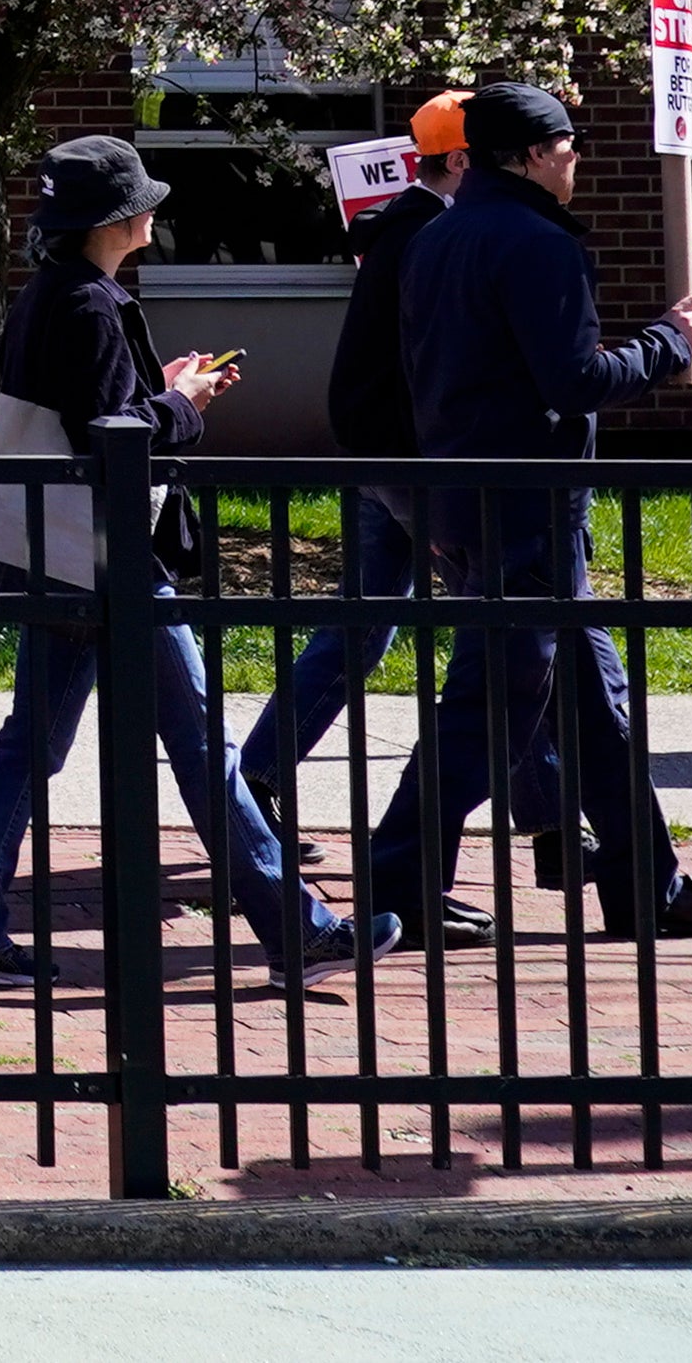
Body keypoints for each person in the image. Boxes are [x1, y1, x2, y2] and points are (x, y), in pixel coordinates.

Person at [0, 137, 378, 985]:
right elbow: (116, 439)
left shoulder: (49, 295)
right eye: (146, 204)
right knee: (196, 738)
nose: (154, 214)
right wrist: (184, 402)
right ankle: (297, 932)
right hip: (108, 558)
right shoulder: (92, 304)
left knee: (40, 746)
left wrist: (157, 389)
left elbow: (90, 409)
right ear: (121, 220)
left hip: (63, 554)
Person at [361, 82, 692, 943]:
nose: (576, 159)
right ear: (527, 154)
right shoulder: (539, 245)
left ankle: (647, 887)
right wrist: (668, 342)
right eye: (565, 144)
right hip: (529, 511)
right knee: (485, 715)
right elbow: (576, 381)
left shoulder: (435, 239)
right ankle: (397, 884)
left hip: (462, 496)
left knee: (598, 708)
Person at [228, 98, 530, 841]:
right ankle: (554, 819)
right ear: (460, 162)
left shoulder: (405, 227)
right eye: (493, 157)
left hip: (392, 456)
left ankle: (257, 779)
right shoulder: (435, 233)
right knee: (512, 633)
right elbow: (420, 370)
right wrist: (420, 490)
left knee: (373, 626)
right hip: (417, 464)